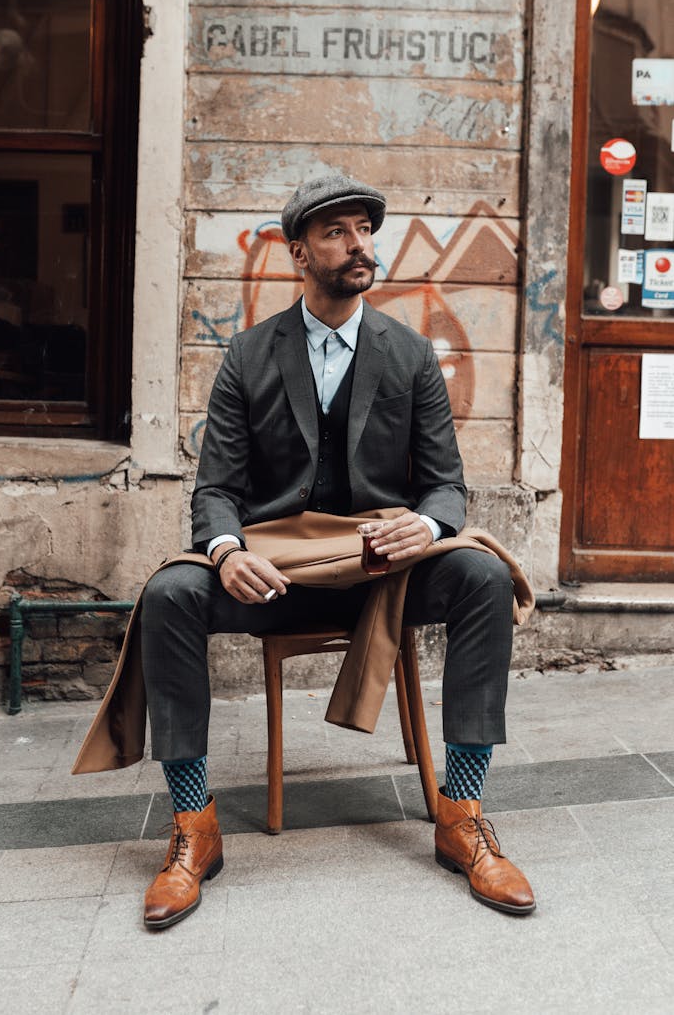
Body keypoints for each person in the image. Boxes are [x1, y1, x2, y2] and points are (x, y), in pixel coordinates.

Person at [140, 174, 535, 929]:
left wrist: (428, 527)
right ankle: (195, 824)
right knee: (169, 595)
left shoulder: (409, 352)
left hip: (385, 574)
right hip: (279, 575)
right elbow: (215, 489)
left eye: (364, 230)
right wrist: (226, 553)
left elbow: (447, 486)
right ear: (299, 253)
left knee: (483, 575)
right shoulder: (250, 353)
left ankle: (462, 812)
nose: (360, 245)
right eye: (337, 232)